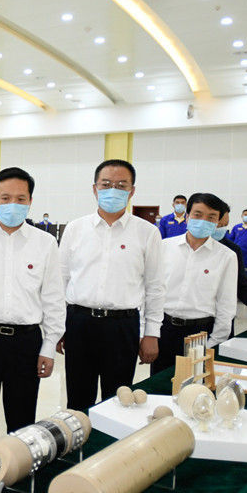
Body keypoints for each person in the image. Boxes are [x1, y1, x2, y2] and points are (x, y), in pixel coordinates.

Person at [0, 168, 65, 467]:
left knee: (22, 423)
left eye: (20, 198)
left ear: (30, 201)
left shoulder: (45, 243)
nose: (12, 204)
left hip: (26, 343)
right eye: (5, 198)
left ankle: (19, 479)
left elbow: (53, 299)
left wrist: (48, 347)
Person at [57, 159, 163, 410]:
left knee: (117, 400)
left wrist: (151, 333)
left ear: (131, 191)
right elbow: (60, 281)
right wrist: (57, 326)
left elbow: (155, 286)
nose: (113, 190)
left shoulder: (147, 233)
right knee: (78, 399)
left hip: (122, 326)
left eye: (121, 185)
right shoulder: (75, 229)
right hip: (79, 323)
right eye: (106, 184)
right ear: (95, 189)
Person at [153, 193, 237, 375]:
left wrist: (214, 342)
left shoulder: (227, 256)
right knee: (159, 384)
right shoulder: (164, 247)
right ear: (187, 216)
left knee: (195, 386)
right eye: (198, 215)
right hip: (164, 330)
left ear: (217, 222)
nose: (203, 221)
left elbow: (226, 304)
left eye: (211, 217)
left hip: (200, 333)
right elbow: (151, 291)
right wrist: (148, 333)